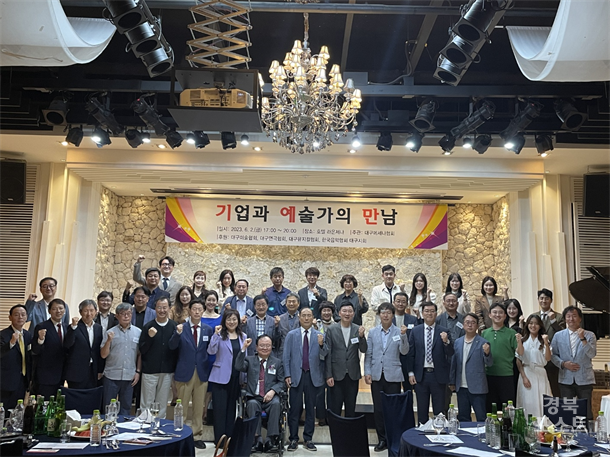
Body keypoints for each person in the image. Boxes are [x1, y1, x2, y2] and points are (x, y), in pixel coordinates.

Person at [365, 302, 410, 452]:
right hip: (377, 375)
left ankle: (393, 439)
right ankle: (382, 439)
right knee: (378, 409)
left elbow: (404, 351)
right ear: (379, 315)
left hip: (393, 375)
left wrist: (403, 336)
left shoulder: (399, 331)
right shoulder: (372, 332)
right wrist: (367, 372)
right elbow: (369, 354)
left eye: (388, 313)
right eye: (383, 313)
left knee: (393, 409)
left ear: (393, 315)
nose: (385, 315)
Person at [168, 300, 212, 450]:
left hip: (201, 372)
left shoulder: (207, 329)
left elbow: (210, 349)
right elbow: (172, 346)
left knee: (199, 407)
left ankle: (197, 435)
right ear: (190, 311)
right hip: (184, 372)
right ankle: (179, 434)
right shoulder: (181, 327)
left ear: (203, 311)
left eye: (200, 309)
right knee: (182, 407)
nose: (197, 312)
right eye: (194, 309)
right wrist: (177, 334)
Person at [284, 307, 327, 452]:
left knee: (310, 408)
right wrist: (287, 375)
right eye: (304, 315)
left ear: (313, 317)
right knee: (294, 409)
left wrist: (322, 345)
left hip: (312, 376)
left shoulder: (319, 335)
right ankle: (293, 439)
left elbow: (325, 355)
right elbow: (286, 357)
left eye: (309, 315)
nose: (307, 318)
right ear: (299, 317)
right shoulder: (291, 335)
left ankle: (308, 438)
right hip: (296, 375)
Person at [235, 335, 285, 453]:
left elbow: (281, 382)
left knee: (276, 404)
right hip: (254, 397)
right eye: (262, 345)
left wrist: (273, 391)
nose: (265, 348)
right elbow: (238, 366)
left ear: (272, 347)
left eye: (268, 345)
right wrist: (243, 349)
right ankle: (256, 439)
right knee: (252, 404)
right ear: (256, 347)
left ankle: (270, 439)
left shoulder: (277, 362)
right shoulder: (249, 360)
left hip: (271, 397)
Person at [407, 302, 454, 423]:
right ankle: (422, 433)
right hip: (421, 375)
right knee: (422, 410)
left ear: (436, 313)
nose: (429, 313)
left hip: (438, 376)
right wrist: (411, 373)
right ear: (422, 313)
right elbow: (411, 354)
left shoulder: (444, 331)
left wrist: (446, 341)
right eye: (426, 311)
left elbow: (450, 353)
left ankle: (439, 433)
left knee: (439, 411)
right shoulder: (415, 331)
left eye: (432, 311)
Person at [551, 306, 597, 420]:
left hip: (584, 378)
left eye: (574, 316)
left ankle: (588, 431)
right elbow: (552, 355)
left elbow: (592, 354)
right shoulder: (558, 336)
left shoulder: (590, 335)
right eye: (568, 316)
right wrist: (563, 364)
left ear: (580, 318)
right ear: (565, 319)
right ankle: (568, 430)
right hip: (566, 378)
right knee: (567, 412)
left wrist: (582, 339)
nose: (571, 319)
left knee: (586, 411)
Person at [208, 309, 246, 444]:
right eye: (229, 319)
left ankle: (229, 439)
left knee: (231, 410)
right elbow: (211, 351)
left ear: (238, 321)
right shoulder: (219, 335)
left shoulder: (243, 336)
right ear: (224, 321)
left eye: (234, 319)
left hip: (236, 378)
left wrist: (244, 378)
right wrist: (215, 335)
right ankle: (219, 440)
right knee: (220, 410)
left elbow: (244, 357)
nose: (231, 322)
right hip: (220, 377)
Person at [325, 302, 367, 417]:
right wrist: (328, 375)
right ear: (339, 313)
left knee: (351, 407)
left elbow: (363, 349)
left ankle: (349, 428)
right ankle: (336, 429)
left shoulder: (357, 329)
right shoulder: (331, 329)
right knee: (335, 407)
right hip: (336, 374)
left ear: (353, 313)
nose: (347, 314)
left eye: (350, 311)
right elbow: (328, 353)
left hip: (353, 374)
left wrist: (362, 337)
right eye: (344, 311)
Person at [449, 312, 493, 422]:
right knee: (463, 418)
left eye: (473, 323)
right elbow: (454, 363)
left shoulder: (483, 342)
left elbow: (489, 363)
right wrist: (452, 381)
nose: (470, 325)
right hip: (461, 387)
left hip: (477, 387)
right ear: (463, 325)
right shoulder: (457, 342)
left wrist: (487, 353)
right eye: (467, 322)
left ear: (477, 326)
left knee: (481, 417)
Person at [139, 296, 177, 419]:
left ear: (169, 308)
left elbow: (176, 348)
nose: (162, 310)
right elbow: (142, 350)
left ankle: (159, 426)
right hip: (149, 371)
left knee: (162, 403)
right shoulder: (148, 326)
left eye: (164, 307)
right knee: (147, 403)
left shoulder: (174, 326)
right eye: (159, 307)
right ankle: (144, 425)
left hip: (167, 371)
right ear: (155, 308)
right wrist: (150, 337)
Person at [101, 302, 142, 416]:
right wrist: (108, 341)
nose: (126, 316)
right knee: (108, 408)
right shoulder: (110, 332)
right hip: (111, 376)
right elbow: (103, 355)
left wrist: (138, 372)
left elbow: (140, 354)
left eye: (129, 313)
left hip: (130, 376)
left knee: (126, 408)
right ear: (117, 316)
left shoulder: (138, 332)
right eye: (123, 314)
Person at [482, 302, 518, 412]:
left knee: (507, 410)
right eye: (495, 312)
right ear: (490, 315)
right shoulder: (484, 333)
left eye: (500, 312)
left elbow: (519, 353)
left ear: (505, 315)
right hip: (489, 375)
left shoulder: (511, 333)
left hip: (506, 376)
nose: (497, 315)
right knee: (490, 409)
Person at [515, 314, 552, 419]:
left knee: (542, 400)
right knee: (527, 401)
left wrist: (546, 344)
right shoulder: (523, 339)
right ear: (527, 325)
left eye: (536, 324)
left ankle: (542, 425)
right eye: (531, 323)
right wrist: (524, 377)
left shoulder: (543, 340)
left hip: (540, 373)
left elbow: (548, 358)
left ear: (540, 326)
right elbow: (520, 356)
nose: (533, 326)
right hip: (526, 372)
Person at [31, 298, 67, 399]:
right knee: (44, 404)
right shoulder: (41, 327)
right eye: (54, 309)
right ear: (49, 311)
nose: (58, 311)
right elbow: (35, 350)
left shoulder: (67, 327)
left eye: (61, 308)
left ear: (65, 310)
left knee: (58, 404)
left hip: (62, 375)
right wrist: (40, 340)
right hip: (45, 376)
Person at [63, 299, 103, 389]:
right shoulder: (74, 327)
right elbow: (67, 344)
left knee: (90, 395)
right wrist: (73, 328)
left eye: (91, 310)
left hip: (93, 371)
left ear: (96, 312)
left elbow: (98, 350)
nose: (89, 314)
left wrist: (100, 370)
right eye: (85, 311)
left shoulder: (98, 328)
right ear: (80, 312)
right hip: (76, 372)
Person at [436, 292, 465, 412]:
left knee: (462, 395)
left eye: (453, 301)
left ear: (457, 303)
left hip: (461, 358)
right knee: (444, 396)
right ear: (444, 303)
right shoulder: (438, 320)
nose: (451, 303)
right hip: (444, 361)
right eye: (448, 301)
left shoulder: (464, 319)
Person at [533, 288, 565, 397]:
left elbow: (562, 334)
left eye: (546, 298)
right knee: (538, 389)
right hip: (536, 358)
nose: (544, 301)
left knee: (554, 388)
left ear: (551, 300)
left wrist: (553, 321)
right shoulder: (534, 316)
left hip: (552, 358)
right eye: (541, 298)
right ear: (538, 300)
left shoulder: (559, 316)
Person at [1, 305, 32, 409]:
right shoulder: (3, 335)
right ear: (10, 317)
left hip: (23, 380)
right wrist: (11, 343)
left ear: (26, 317)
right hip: (7, 381)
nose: (20, 317)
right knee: (4, 411)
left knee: (18, 410)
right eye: (16, 315)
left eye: (23, 315)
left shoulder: (28, 335)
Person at [200, 291, 222, 424]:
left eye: (214, 300)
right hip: (201, 354)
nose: (211, 302)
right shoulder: (199, 316)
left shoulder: (221, 318)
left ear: (217, 302)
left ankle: (206, 412)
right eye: (209, 300)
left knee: (211, 386)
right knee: (201, 383)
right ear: (205, 301)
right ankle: (200, 410)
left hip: (215, 355)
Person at [314, 301, 336, 426]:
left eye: (329, 310)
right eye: (324, 310)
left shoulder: (336, 325)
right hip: (318, 361)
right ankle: (321, 417)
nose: (326, 313)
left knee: (332, 391)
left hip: (332, 361)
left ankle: (331, 416)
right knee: (320, 391)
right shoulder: (315, 324)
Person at [276, 293, 301, 358]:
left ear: (298, 303)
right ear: (286, 304)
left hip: (299, 352)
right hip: (283, 352)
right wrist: (276, 326)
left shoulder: (303, 318)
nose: (291, 304)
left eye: (293, 302)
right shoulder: (280, 318)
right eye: (289, 302)